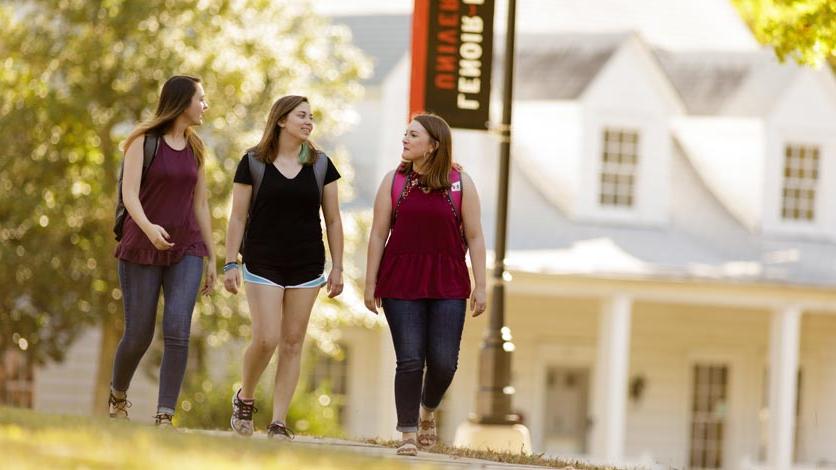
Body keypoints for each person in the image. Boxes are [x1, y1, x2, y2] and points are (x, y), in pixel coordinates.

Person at [364, 113, 487, 455]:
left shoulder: (460, 183)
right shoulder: (394, 181)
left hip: (448, 281)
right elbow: (377, 234)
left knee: (445, 362)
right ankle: (407, 434)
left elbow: (475, 237)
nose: (405, 139)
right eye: (405, 134)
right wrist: (370, 281)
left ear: (433, 145)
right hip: (400, 282)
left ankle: (428, 410)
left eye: (413, 135)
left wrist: (482, 284)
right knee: (410, 360)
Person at [223, 95, 344, 439]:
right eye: (301, 115)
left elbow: (333, 220)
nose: (308, 122)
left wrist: (338, 268)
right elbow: (237, 217)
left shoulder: (321, 164)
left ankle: (278, 421)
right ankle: (245, 396)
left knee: (292, 342)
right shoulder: (253, 162)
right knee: (266, 338)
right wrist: (231, 261)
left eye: (311, 116)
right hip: (263, 259)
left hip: (307, 263)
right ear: (280, 121)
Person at [109, 75, 216, 427]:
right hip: (142, 245)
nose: (205, 105)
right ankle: (118, 395)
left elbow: (201, 205)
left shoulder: (197, 147)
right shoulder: (143, 141)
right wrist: (148, 228)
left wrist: (212, 256)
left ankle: (165, 415)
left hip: (187, 248)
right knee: (139, 332)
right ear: (183, 101)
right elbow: (130, 195)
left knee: (178, 328)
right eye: (201, 98)